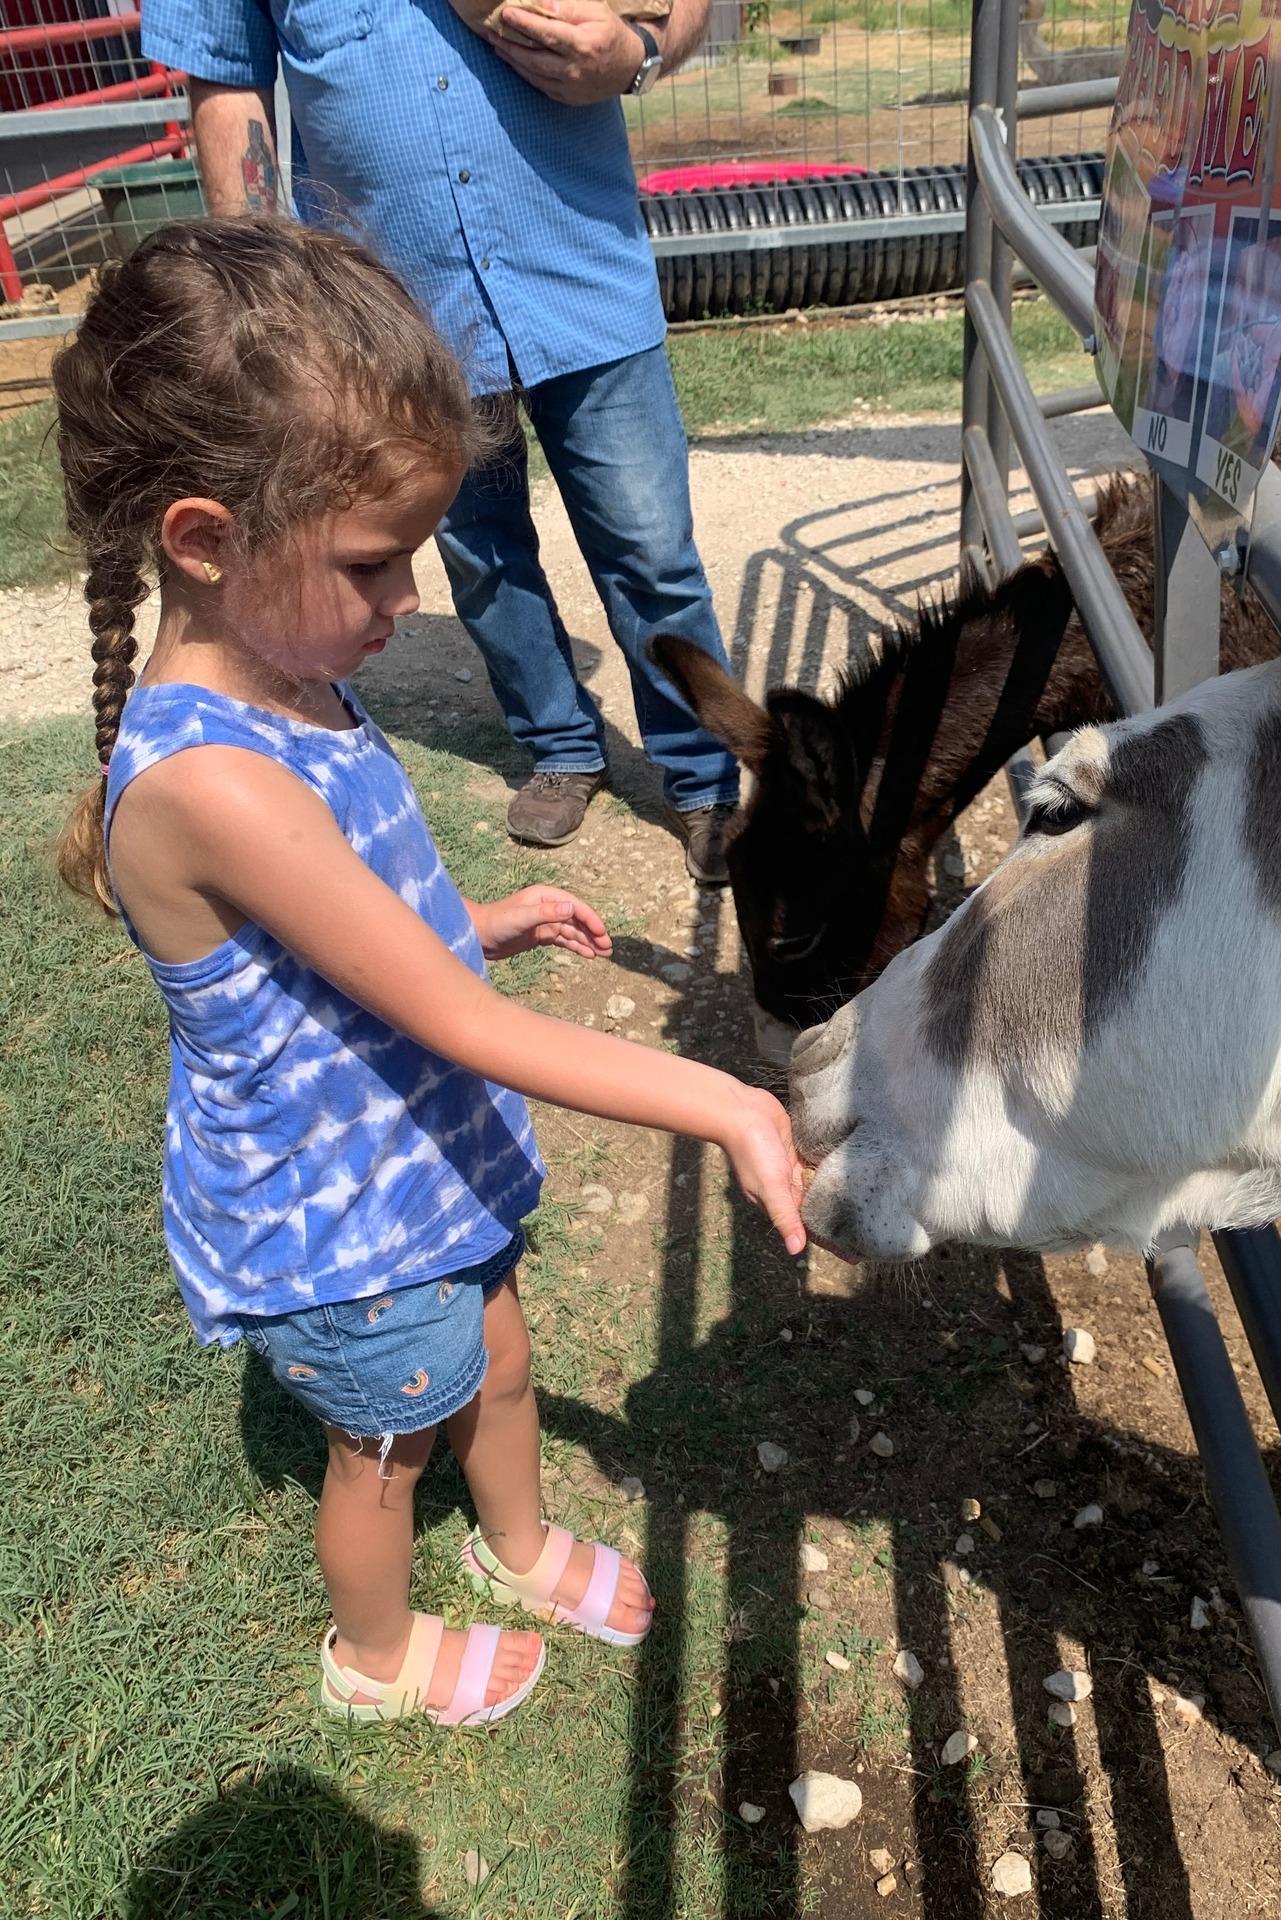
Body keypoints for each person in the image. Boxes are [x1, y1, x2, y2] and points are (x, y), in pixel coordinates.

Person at [55, 219, 804, 1726]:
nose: (412, 600)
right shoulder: (211, 782)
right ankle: (376, 1657)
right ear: (203, 540)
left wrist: (476, 911)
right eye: (375, 562)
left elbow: (351, 930)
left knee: (500, 1354)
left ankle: (521, 1545)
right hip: (344, 1219)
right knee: (386, 1450)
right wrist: (721, 1098)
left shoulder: (295, 674)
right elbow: (448, 1019)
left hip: (418, 1159)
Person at [142, 0, 742, 883]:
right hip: (401, 315)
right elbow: (226, 75)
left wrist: (643, 50)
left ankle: (705, 778)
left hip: (583, 275)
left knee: (649, 549)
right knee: (478, 554)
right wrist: (269, 303)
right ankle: (560, 744)